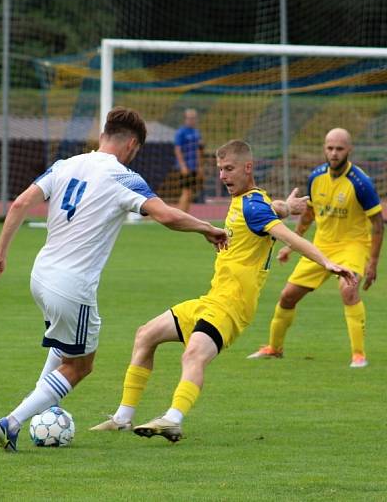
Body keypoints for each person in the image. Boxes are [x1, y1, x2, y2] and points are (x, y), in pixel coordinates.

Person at [0, 107, 228, 452]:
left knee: (63, 345)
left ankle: (41, 409)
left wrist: (0, 253)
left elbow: (20, 204)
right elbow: (165, 215)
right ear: (131, 144)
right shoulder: (124, 177)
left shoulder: (64, 165)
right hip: (73, 284)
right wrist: (207, 227)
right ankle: (12, 421)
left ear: (103, 136)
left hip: (41, 274)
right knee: (81, 365)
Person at [89, 139, 356, 442]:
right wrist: (287, 206)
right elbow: (272, 209)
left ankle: (173, 419)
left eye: (229, 169)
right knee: (145, 335)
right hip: (212, 299)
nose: (223, 176)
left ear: (248, 167)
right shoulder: (253, 201)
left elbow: (288, 238)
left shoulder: (253, 206)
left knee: (193, 356)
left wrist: (327, 262)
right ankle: (123, 417)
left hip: (232, 306)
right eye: (219, 170)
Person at [247, 127, 385, 368]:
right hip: (321, 247)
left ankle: (358, 355)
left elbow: (378, 224)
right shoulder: (316, 177)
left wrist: (372, 262)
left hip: (352, 246)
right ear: (324, 148)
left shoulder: (361, 183)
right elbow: (309, 214)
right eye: (330, 148)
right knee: (287, 296)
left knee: (348, 290)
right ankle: (274, 348)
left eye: (339, 149)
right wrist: (291, 245)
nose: (334, 153)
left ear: (349, 150)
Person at [173, 108, 203, 212]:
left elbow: (199, 150)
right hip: (185, 167)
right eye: (190, 118)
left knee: (190, 192)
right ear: (185, 119)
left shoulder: (196, 132)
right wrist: (182, 166)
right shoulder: (181, 132)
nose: (192, 120)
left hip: (194, 166)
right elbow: (177, 149)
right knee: (185, 191)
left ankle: (185, 214)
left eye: (194, 118)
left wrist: (199, 166)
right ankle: (180, 214)